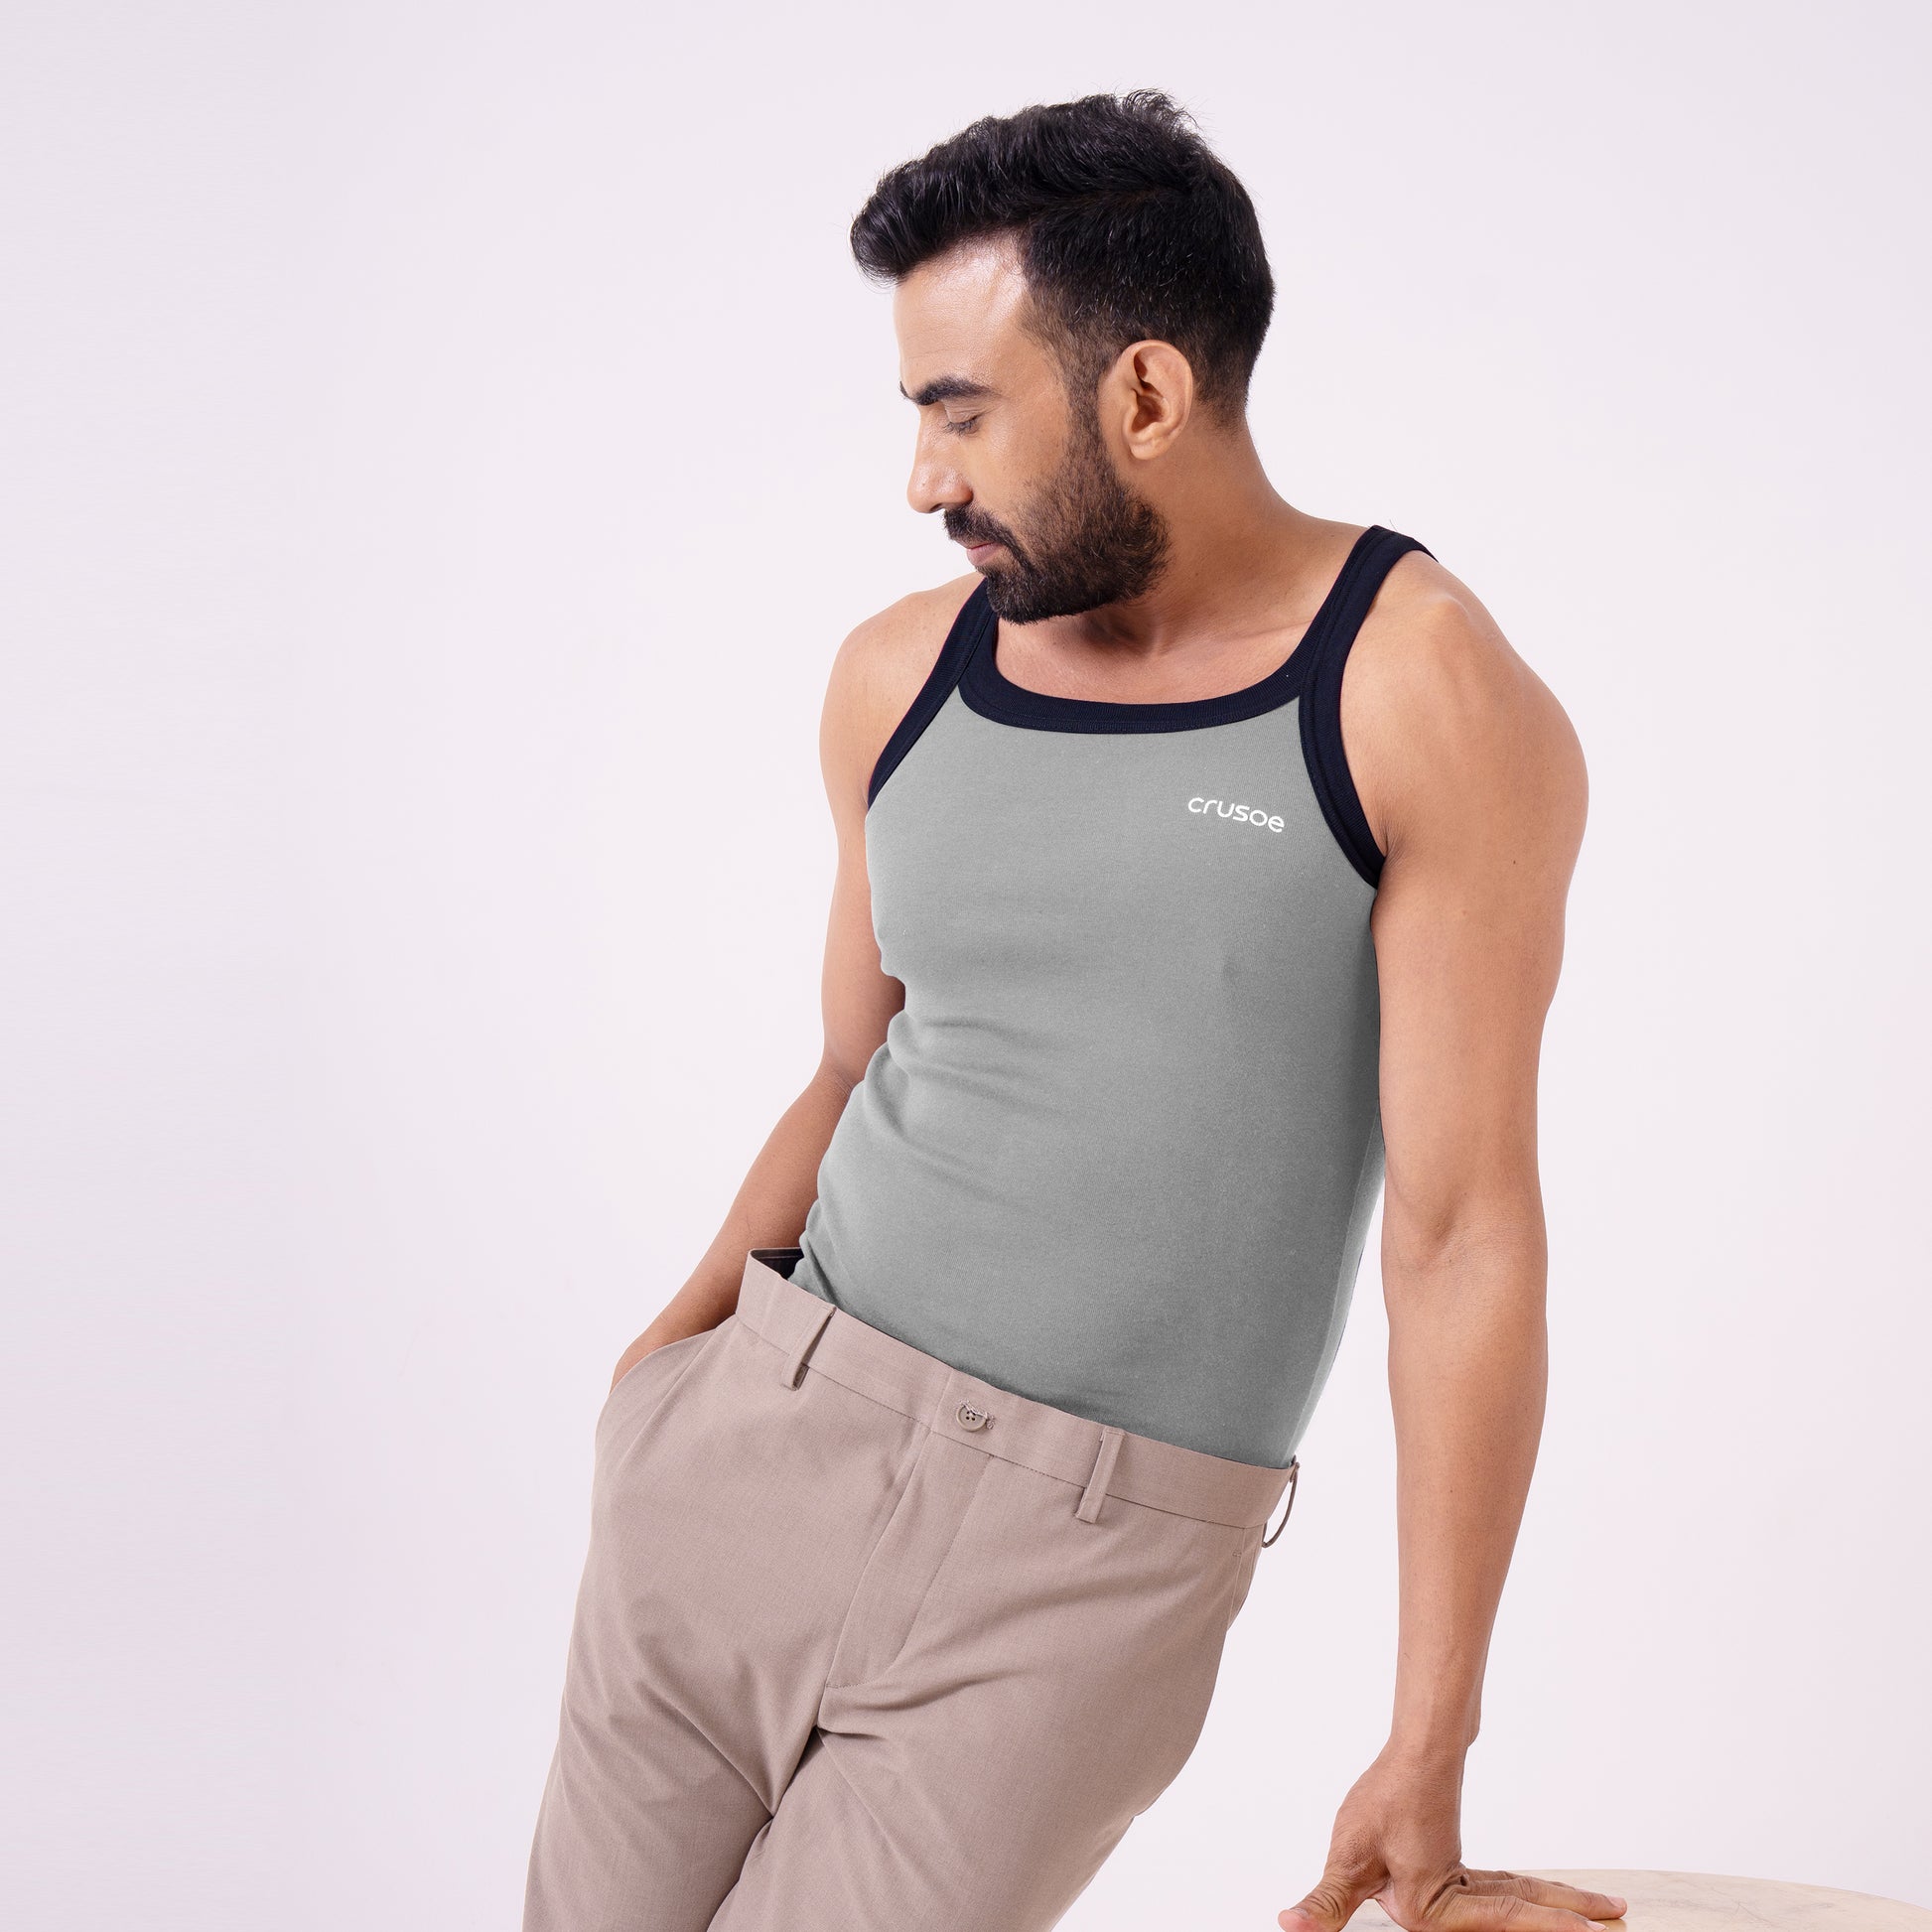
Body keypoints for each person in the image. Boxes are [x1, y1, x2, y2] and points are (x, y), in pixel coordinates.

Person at [523, 89, 1618, 1932]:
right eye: (915, 414)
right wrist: (668, 1371)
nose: (921, 478)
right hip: (751, 1450)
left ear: (1146, 396)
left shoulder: (1416, 691)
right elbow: (853, 1059)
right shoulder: (897, 675)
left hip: (1085, 1566)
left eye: (962, 411)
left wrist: (1427, 1732)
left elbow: (1460, 1236)